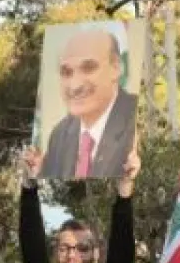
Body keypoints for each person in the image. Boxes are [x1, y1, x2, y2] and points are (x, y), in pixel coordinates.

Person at [39, 25, 140, 179]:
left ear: (116, 68)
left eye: (88, 68)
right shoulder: (59, 136)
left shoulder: (139, 119)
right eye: (66, 72)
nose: (75, 85)